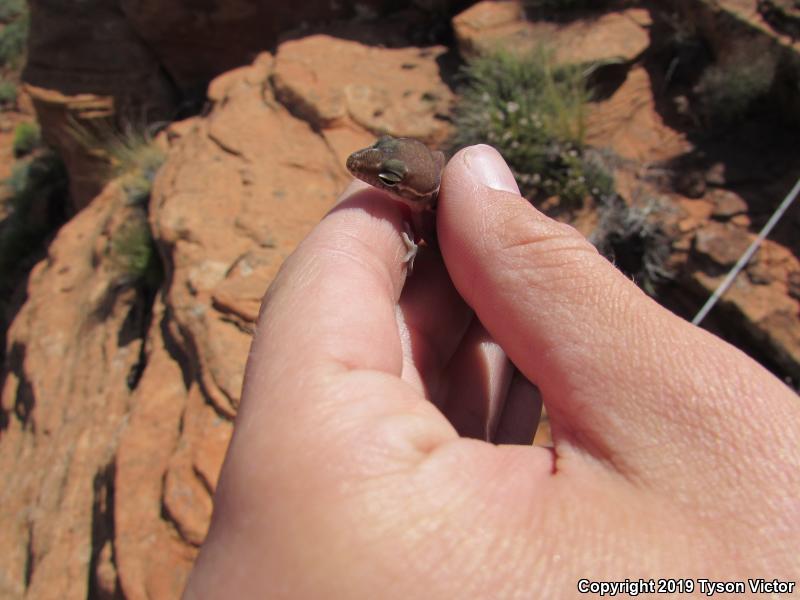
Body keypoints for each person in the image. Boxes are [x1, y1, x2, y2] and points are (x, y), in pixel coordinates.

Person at [183, 145, 799, 598]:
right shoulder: (420, 215)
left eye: (385, 175)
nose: (366, 173)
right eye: (378, 167)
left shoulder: (449, 217)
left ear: (421, 191)